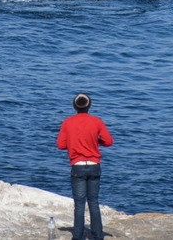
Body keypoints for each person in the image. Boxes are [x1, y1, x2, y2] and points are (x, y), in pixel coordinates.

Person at [56, 93, 114, 240]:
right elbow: (108, 141)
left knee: (79, 203)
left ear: (75, 106)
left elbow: (61, 145)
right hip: (94, 165)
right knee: (94, 202)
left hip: (78, 166)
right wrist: (96, 142)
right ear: (89, 106)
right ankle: (97, 236)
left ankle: (78, 236)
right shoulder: (97, 121)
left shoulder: (68, 122)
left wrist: (73, 143)